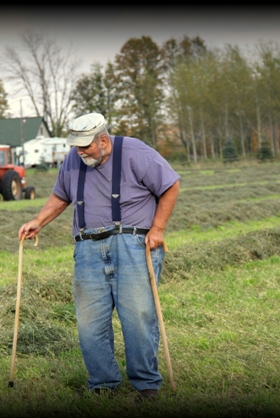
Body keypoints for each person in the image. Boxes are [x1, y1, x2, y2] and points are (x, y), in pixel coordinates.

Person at [18, 113, 180, 400]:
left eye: (85, 147)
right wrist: (38, 221)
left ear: (103, 140)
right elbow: (61, 195)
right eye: (76, 147)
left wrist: (157, 229)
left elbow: (170, 185)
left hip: (132, 244)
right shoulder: (73, 159)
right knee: (89, 321)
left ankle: (146, 385)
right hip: (88, 247)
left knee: (138, 316)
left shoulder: (136, 152)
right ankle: (104, 385)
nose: (79, 152)